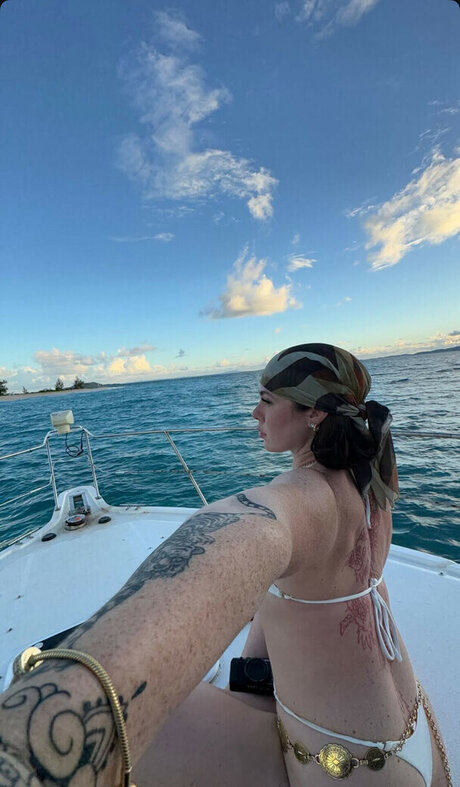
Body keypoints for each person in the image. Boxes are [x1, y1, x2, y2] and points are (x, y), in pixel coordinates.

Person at [0, 344, 450, 787]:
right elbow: (293, 591)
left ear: (314, 413)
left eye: (267, 401)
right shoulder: (371, 477)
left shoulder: (305, 497)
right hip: (409, 730)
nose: (255, 413)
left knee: (44, 684)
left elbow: (247, 532)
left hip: (337, 765)